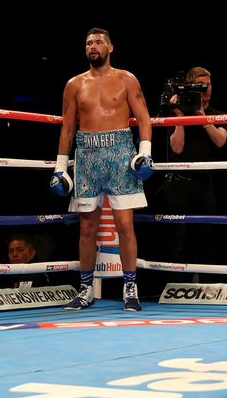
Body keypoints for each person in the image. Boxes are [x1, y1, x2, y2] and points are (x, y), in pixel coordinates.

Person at [50, 27, 153, 312]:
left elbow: (144, 118)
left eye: (98, 42)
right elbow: (68, 127)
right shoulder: (74, 84)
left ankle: (130, 287)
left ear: (110, 47)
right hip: (86, 155)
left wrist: (145, 154)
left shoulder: (126, 79)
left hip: (120, 152)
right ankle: (85, 290)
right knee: (87, 228)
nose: (92, 46)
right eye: (88, 43)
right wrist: (60, 168)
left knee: (125, 225)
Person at [163, 67, 227, 276]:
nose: (206, 89)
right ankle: (176, 285)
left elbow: (221, 140)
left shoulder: (216, 114)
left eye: (208, 85)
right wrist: (180, 116)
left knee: (208, 233)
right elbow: (177, 148)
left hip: (204, 181)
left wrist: (201, 117)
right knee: (178, 237)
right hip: (179, 182)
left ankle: (208, 285)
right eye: (201, 85)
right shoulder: (178, 113)